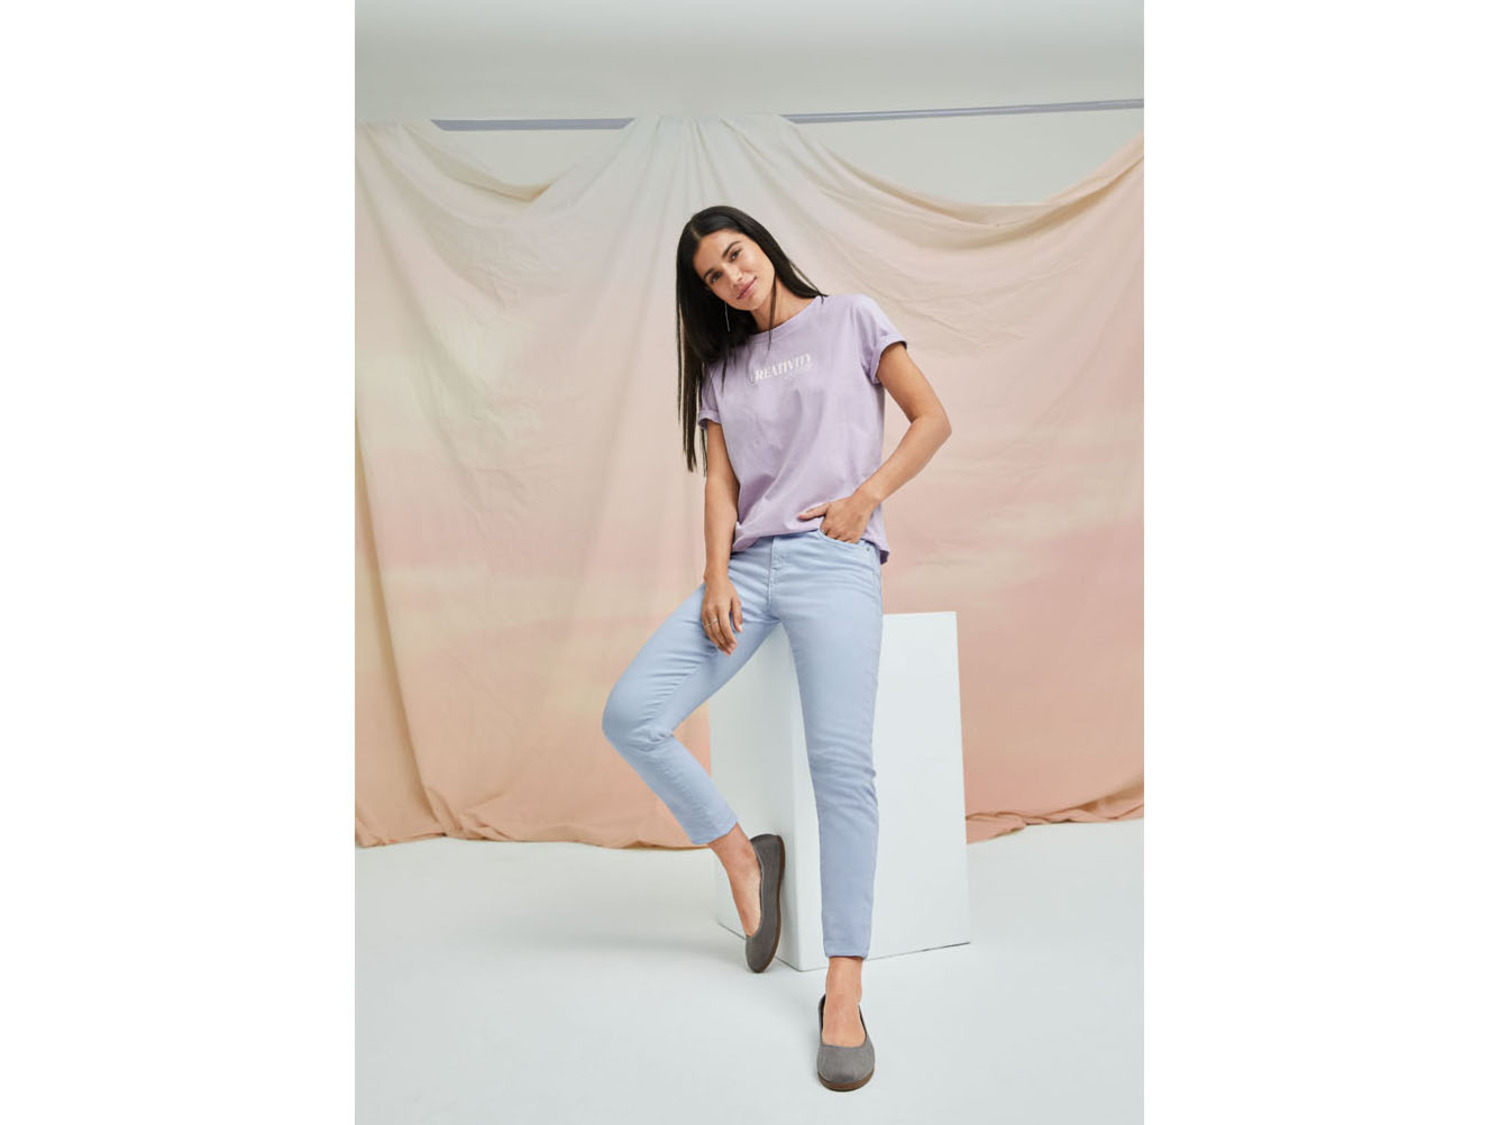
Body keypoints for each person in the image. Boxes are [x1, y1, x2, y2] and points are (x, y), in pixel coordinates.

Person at [601, 205, 951, 1089]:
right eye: (712, 277)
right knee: (632, 714)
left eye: (735, 255)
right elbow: (720, 484)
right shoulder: (723, 369)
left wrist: (864, 497)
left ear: (761, 244)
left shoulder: (852, 319)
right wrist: (715, 574)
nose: (732, 278)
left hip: (835, 556)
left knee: (841, 765)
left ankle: (844, 985)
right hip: (749, 571)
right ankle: (740, 854)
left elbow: (931, 418)